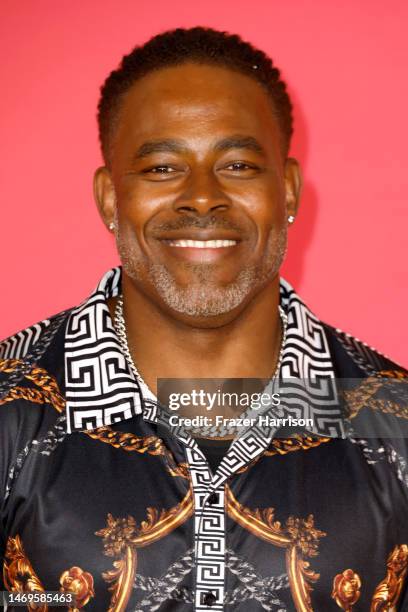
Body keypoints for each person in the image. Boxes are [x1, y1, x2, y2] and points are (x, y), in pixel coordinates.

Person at [1, 27, 407, 612]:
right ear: (111, 200)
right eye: (162, 168)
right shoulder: (12, 410)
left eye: (238, 164)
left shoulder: (394, 419)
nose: (201, 197)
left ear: (287, 192)